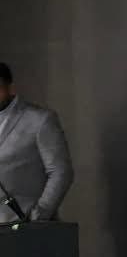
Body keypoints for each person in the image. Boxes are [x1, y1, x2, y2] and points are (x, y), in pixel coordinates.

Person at [0, 61, 74, 222]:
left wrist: (40, 213)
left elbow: (60, 171)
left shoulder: (40, 120)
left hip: (23, 225)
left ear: (10, 87)